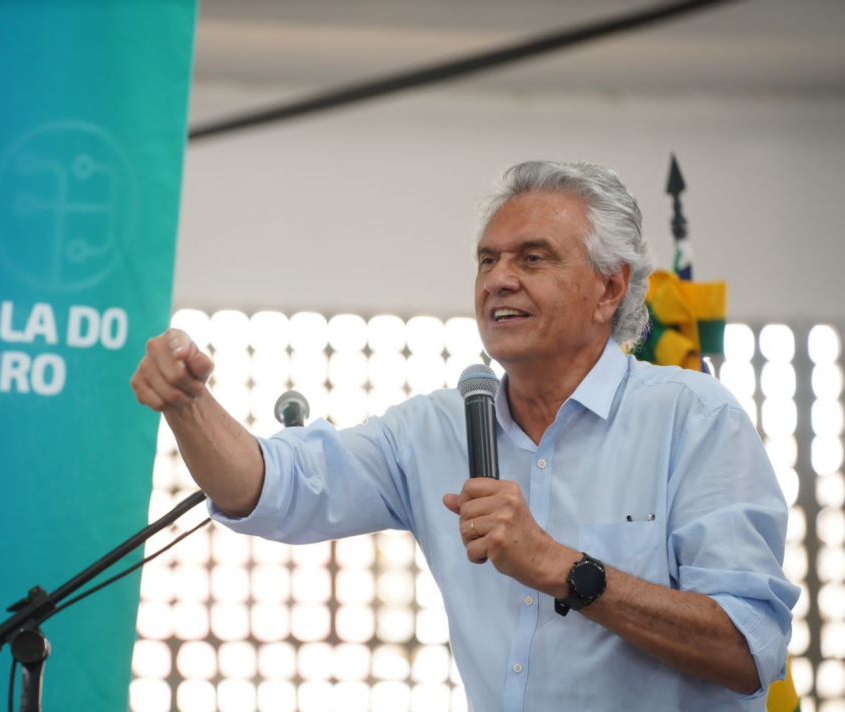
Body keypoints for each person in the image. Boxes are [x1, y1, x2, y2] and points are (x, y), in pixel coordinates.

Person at [130, 160, 798, 710]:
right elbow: (272, 489)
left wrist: (565, 570)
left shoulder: (696, 420)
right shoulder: (435, 430)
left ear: (609, 288)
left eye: (532, 258)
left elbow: (748, 648)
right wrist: (189, 405)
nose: (498, 279)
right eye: (487, 260)